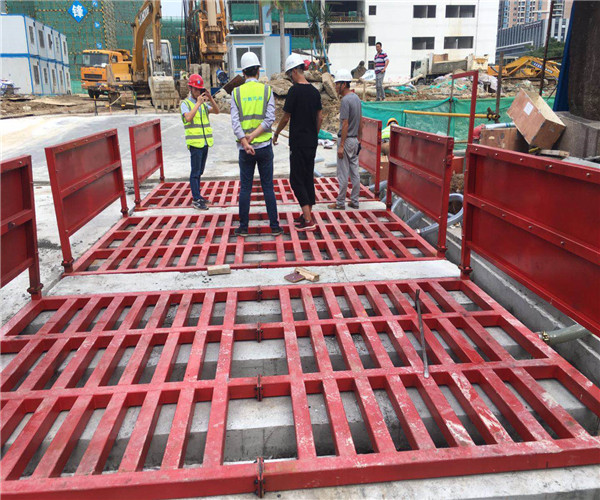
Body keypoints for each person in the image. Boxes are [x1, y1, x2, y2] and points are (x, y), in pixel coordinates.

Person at [230, 51, 282, 237]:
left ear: (243, 72)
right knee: (268, 186)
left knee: (245, 188)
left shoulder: (236, 93)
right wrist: (253, 136)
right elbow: (269, 120)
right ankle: (274, 226)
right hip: (264, 147)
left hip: (245, 150)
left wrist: (245, 140)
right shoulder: (267, 90)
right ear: (258, 71)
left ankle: (244, 227)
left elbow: (235, 123)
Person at [273, 53, 323, 231]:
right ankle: (307, 213)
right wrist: (313, 135)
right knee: (307, 176)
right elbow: (320, 117)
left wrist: (277, 133)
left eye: (289, 74)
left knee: (296, 179)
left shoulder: (294, 91)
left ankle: (308, 220)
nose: (289, 77)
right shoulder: (314, 92)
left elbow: (286, 117)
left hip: (298, 143)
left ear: (295, 71)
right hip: (311, 142)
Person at [181, 73, 219, 210]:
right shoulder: (185, 104)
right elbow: (189, 118)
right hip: (195, 144)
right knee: (195, 172)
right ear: (190, 88)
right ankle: (196, 199)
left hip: (204, 143)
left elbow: (216, 111)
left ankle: (198, 195)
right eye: (196, 89)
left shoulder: (203, 105)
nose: (198, 92)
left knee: (200, 171)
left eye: (200, 89)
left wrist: (210, 98)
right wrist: (198, 103)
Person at [328, 69, 362, 210]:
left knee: (342, 172)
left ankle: (340, 203)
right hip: (354, 141)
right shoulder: (356, 99)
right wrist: (360, 139)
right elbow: (361, 121)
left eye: (337, 84)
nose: (335, 87)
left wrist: (341, 145)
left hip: (346, 140)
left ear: (343, 84)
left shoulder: (345, 101)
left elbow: (345, 124)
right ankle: (354, 200)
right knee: (354, 171)